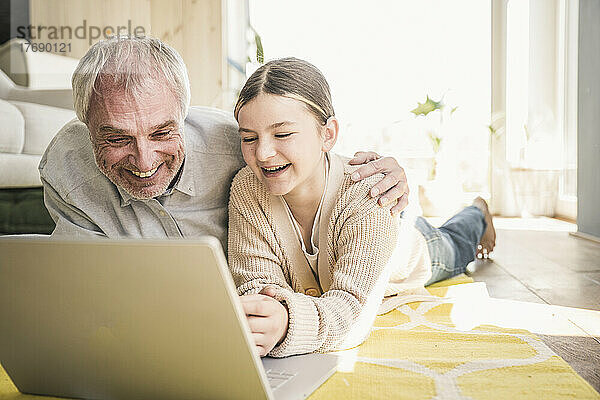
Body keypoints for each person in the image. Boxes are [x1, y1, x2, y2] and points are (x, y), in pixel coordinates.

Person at [228, 57, 496, 358]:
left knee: (456, 243)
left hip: (410, 251)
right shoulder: (246, 188)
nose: (263, 153)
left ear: (328, 134)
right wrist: (266, 314)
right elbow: (257, 287)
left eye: (283, 134)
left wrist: (288, 321)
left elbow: (352, 313)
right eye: (249, 138)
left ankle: (477, 212)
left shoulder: (368, 194)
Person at [39, 36, 410, 250]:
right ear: (87, 125)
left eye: (162, 132)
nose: (144, 159)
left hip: (381, 247)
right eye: (118, 138)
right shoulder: (66, 166)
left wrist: (385, 176)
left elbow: (310, 156)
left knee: (442, 247)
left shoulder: (233, 142)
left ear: (182, 115)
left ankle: (471, 215)